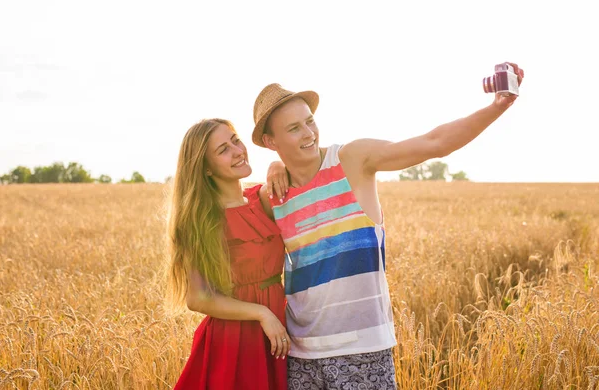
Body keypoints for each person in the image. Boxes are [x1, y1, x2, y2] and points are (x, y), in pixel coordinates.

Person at [252, 67, 524, 389]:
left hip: (363, 351)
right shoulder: (273, 196)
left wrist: (497, 107)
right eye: (294, 128)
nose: (309, 133)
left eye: (310, 121)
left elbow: (434, 143)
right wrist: (274, 167)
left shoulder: (353, 160)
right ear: (271, 141)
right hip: (300, 357)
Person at [165, 118, 291, 390]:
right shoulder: (201, 220)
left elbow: (304, 169)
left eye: (235, 140)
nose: (237, 150)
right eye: (223, 150)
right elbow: (198, 299)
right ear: (206, 169)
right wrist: (262, 314)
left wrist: (277, 164)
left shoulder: (262, 201)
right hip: (234, 339)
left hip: (280, 325)